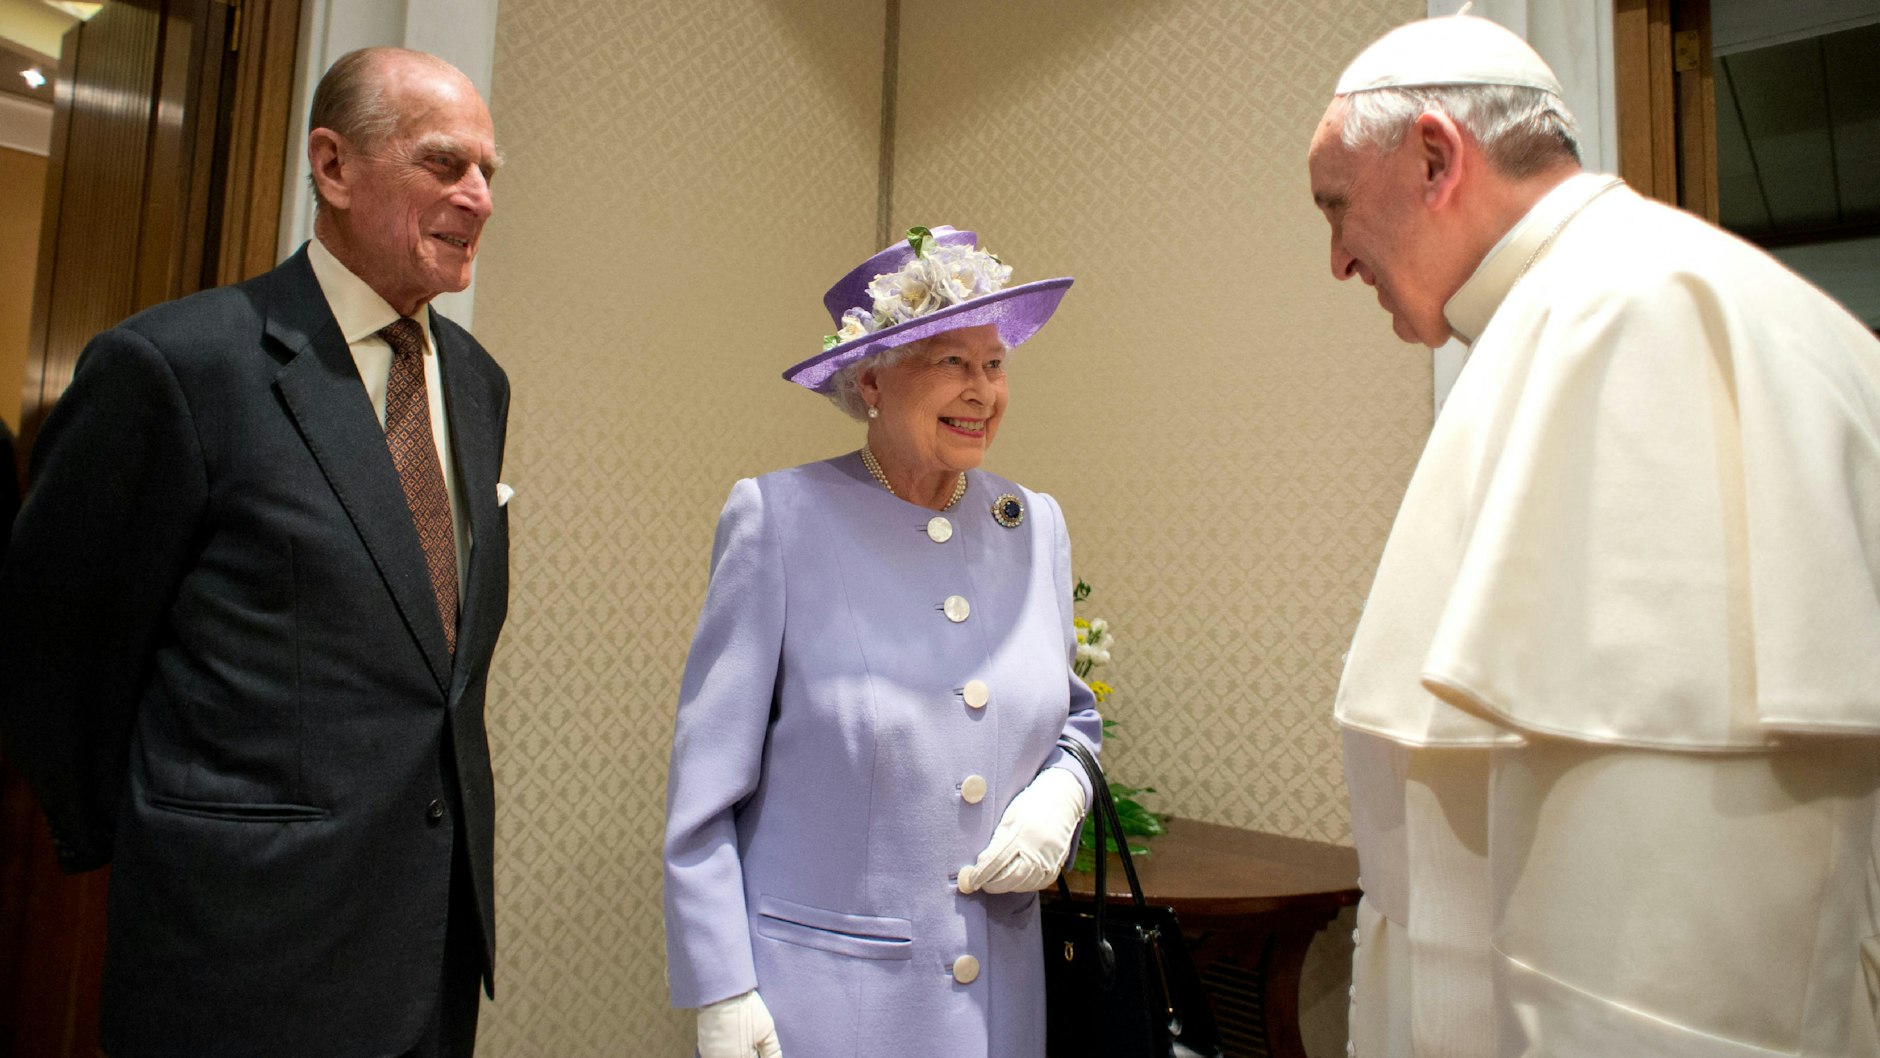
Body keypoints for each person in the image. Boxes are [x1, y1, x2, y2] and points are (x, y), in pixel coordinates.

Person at [1308, 14, 1880, 1058]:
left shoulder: (1644, 318)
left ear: (1435, 155)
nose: (1336, 257)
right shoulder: (1571, 311)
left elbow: (1663, 968)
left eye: (1335, 207)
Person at [0, 47, 510, 1057]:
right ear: (331, 166)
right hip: (236, 958)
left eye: (490, 172)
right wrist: (168, 844)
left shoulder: (477, 382)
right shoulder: (177, 366)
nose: (479, 197)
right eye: (445, 163)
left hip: (427, 952)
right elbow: (52, 647)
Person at [663, 225, 1101, 1057]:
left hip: (1002, 1008)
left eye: (995, 363)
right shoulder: (779, 520)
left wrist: (1064, 793)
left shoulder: (1033, 526)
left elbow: (1071, 722)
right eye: (951, 363)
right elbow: (704, 792)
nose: (983, 390)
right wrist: (721, 988)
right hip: (829, 1006)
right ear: (871, 380)